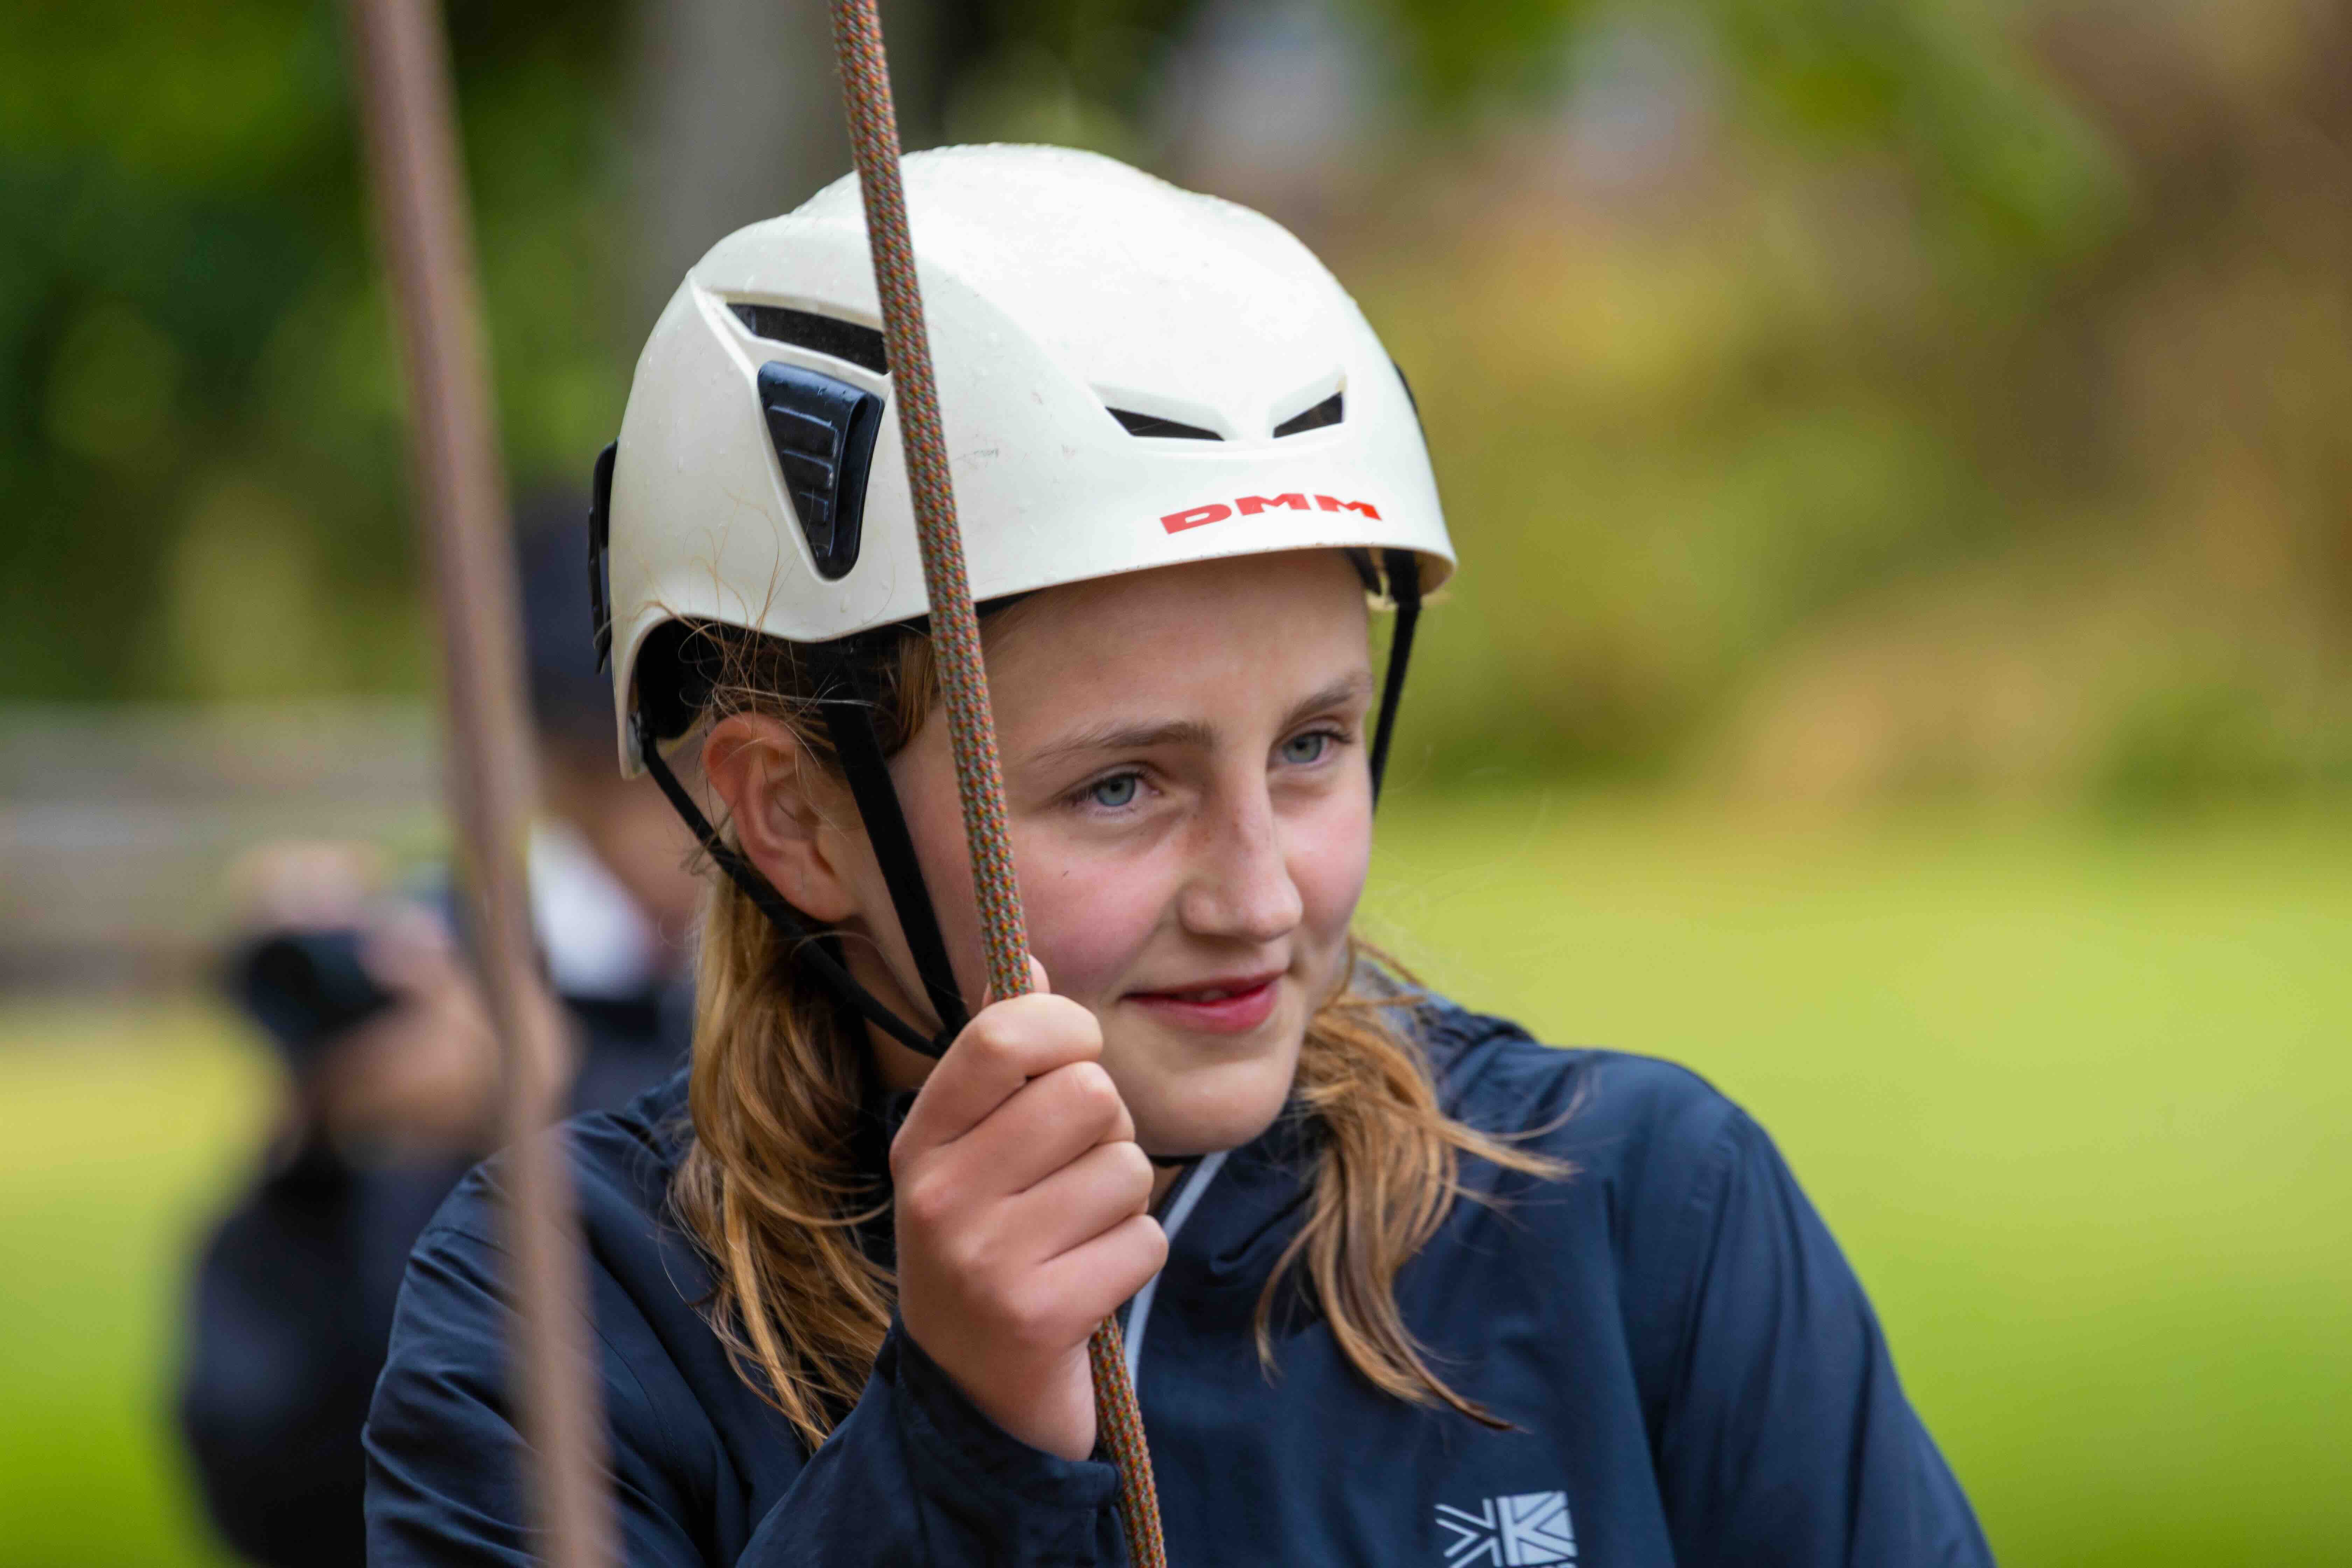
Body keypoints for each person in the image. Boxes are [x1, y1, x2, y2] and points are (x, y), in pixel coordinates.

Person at [364, 147, 1991, 1566]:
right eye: (1123, 787)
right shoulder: (567, 1317)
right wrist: (956, 1447)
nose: (1263, 897)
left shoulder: (1639, 1216)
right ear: (792, 814)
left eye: (1309, 746)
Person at [177, 513, 701, 1568]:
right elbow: (273, 1468)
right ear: (558, 764)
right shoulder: (436, 966)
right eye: (662, 769)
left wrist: (557, 1091)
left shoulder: (836, 967)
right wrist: (318, 1161)